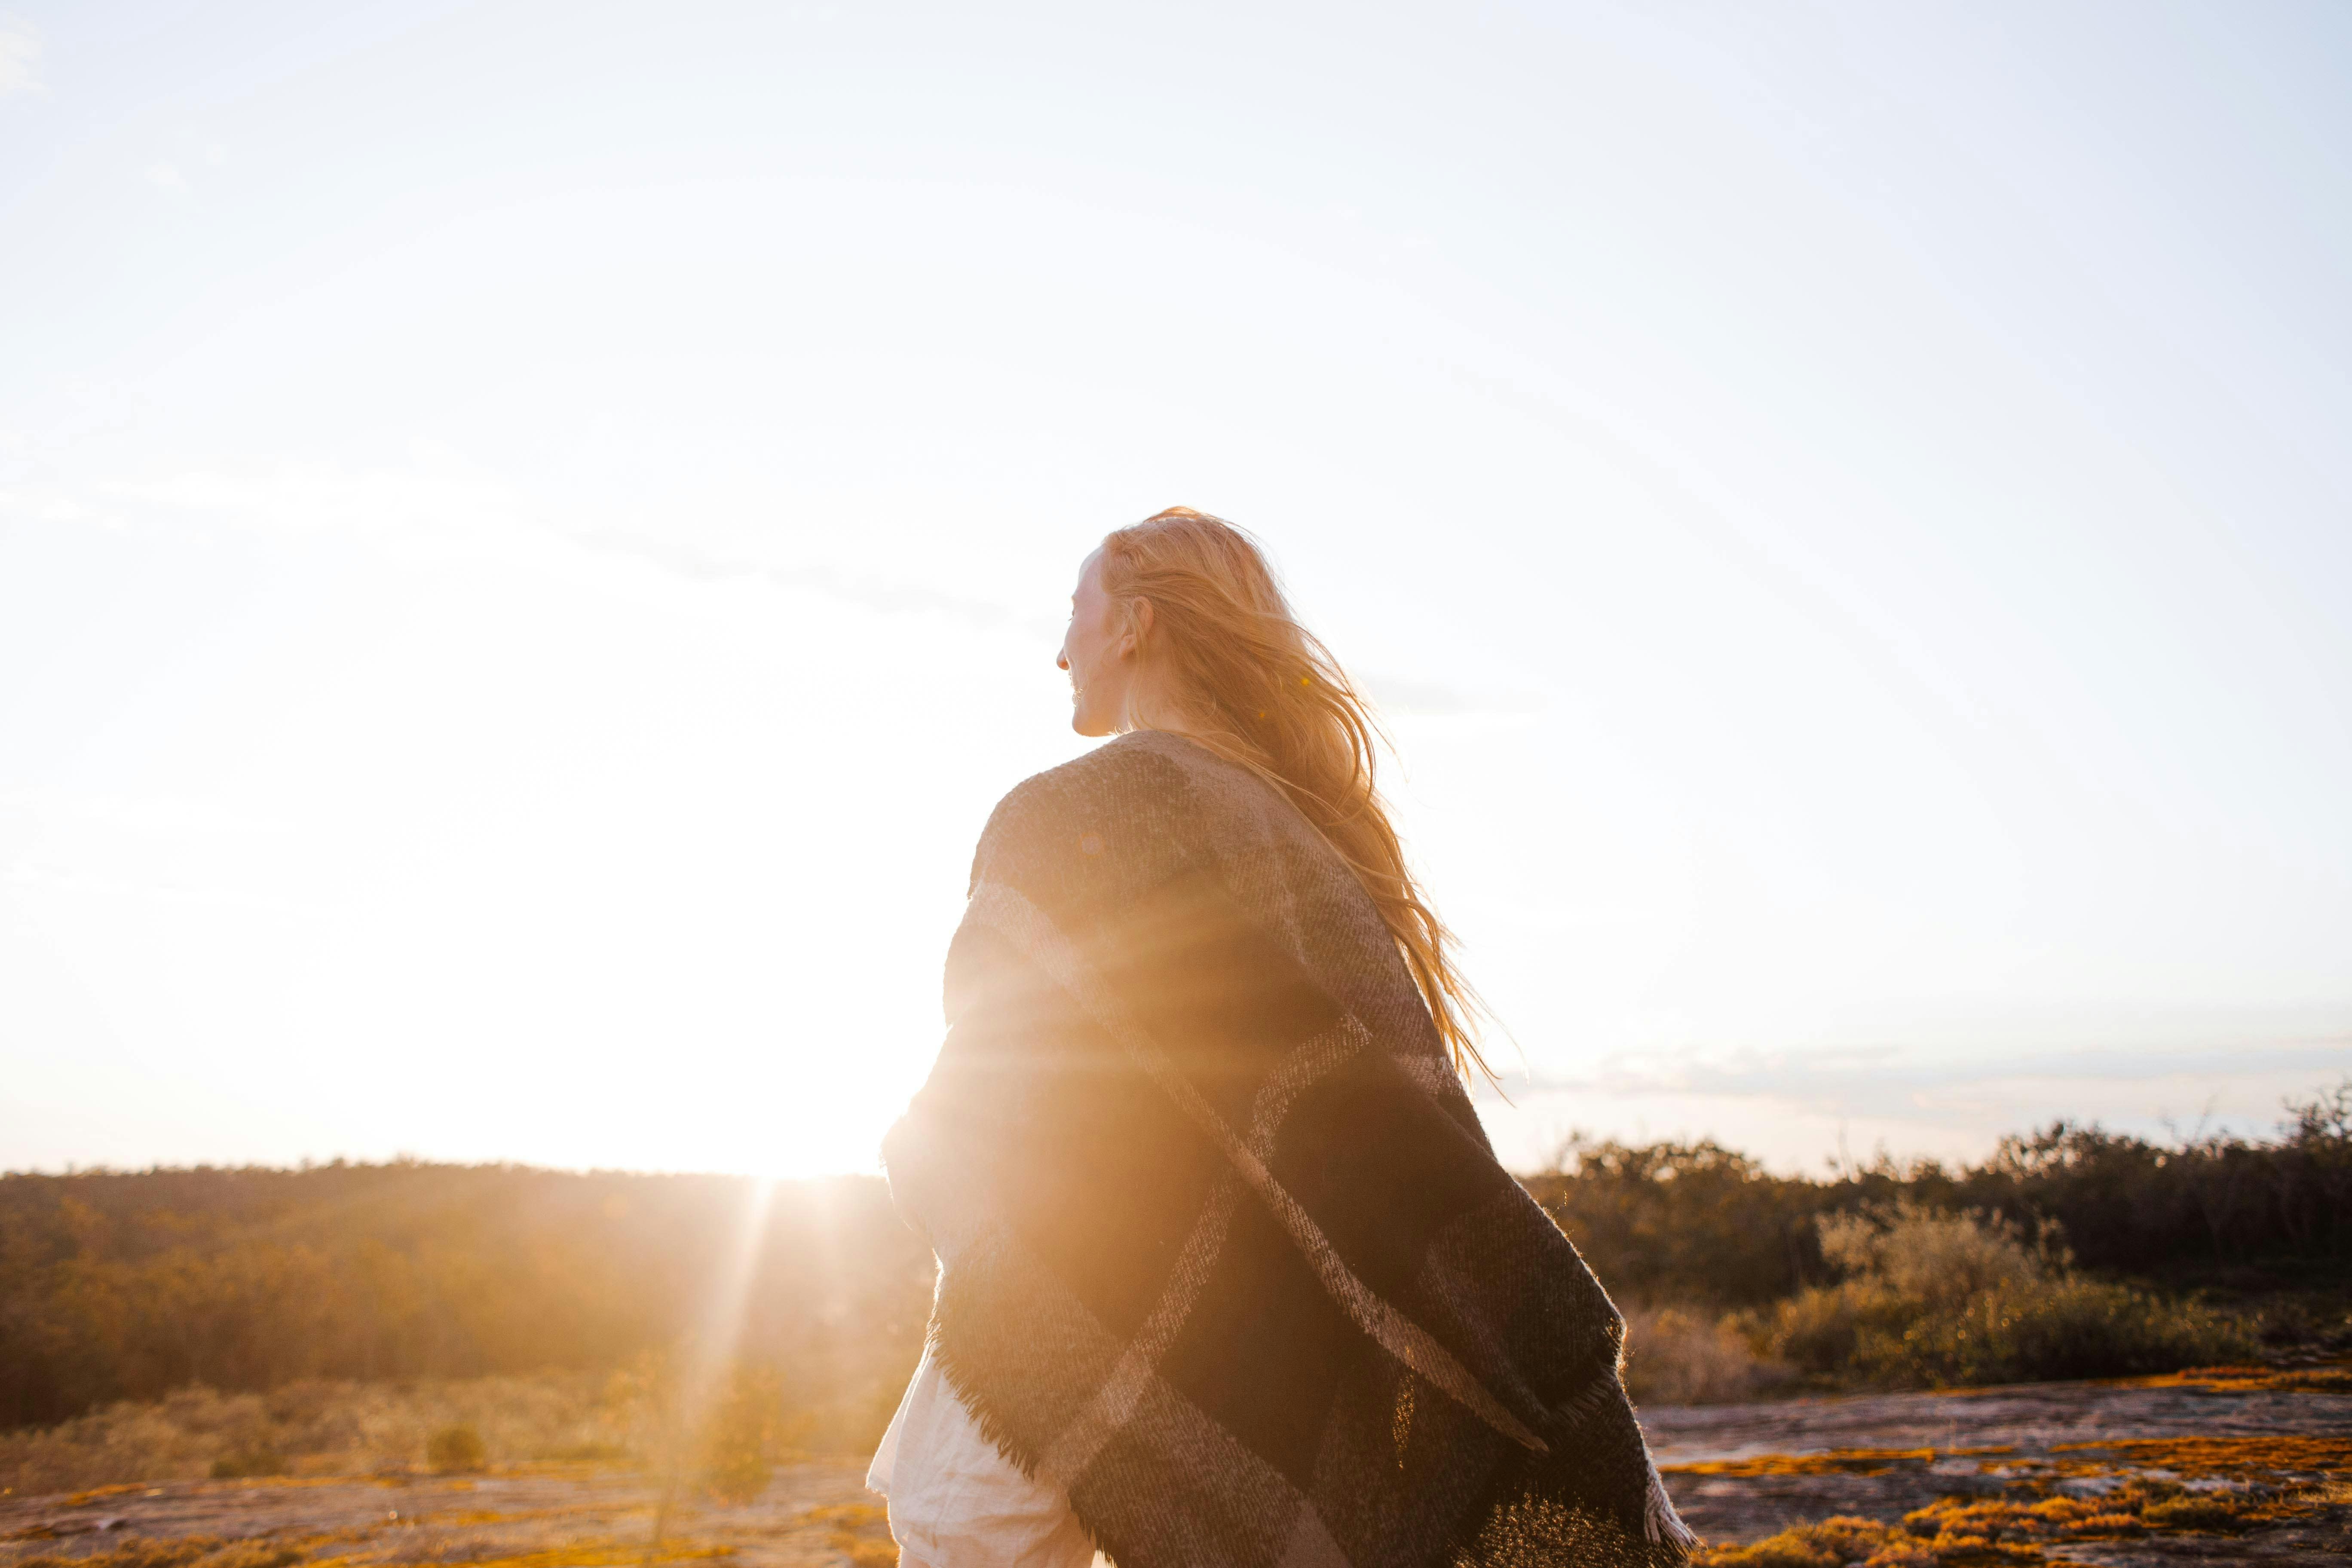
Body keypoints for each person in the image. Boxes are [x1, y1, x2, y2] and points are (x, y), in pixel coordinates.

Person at [869, 508, 1692, 1568]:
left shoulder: (1068, 816)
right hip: (1246, 1307)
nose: (1062, 650)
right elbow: (1376, 1117)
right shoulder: (1299, 833)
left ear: (1136, 625)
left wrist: (932, 1147)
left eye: (1076, 611)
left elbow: (998, 1066)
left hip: (1068, 1264)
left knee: (961, 1524)